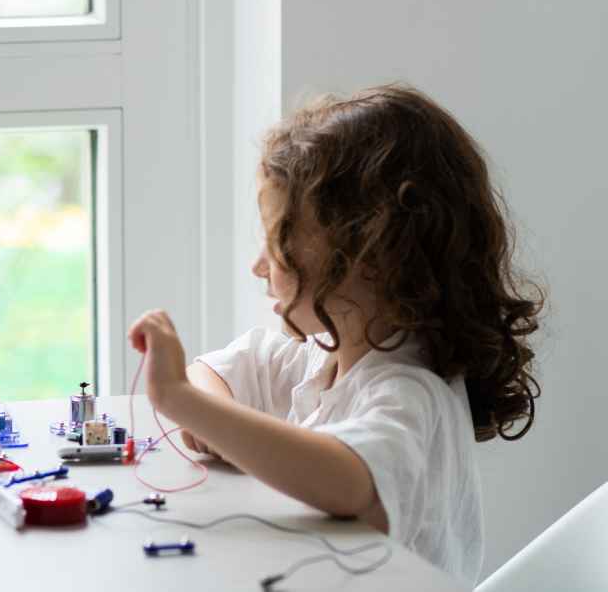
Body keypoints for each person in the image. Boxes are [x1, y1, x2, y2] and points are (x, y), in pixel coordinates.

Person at [127, 84, 544, 587]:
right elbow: (213, 371)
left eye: (278, 240)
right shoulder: (318, 361)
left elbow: (348, 481)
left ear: (371, 252)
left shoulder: (411, 393)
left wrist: (182, 402)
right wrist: (208, 414)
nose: (259, 266)